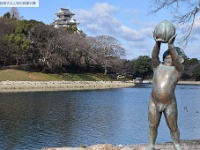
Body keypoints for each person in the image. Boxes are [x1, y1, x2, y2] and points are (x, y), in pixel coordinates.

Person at [146, 34, 185, 150]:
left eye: (172, 54)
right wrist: (157, 43)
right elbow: (154, 56)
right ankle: (151, 145)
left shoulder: (178, 70)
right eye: (168, 52)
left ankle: (177, 144)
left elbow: (176, 61)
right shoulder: (157, 67)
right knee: (152, 126)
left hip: (169, 103)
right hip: (154, 102)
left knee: (173, 127)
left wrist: (171, 45)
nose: (169, 54)